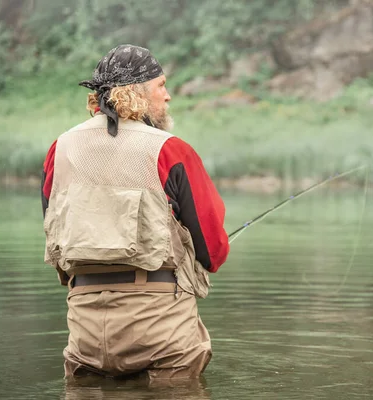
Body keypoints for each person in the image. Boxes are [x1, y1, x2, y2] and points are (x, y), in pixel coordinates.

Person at [41, 44, 230, 382]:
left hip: (85, 328)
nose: (168, 96)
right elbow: (212, 248)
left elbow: (52, 226)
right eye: (161, 86)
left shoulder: (61, 148)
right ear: (138, 93)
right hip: (162, 330)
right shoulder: (170, 150)